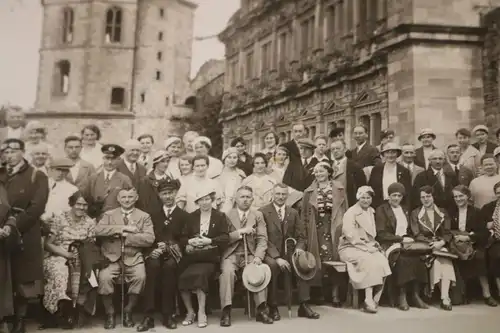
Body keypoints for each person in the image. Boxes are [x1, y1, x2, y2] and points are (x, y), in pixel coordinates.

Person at [0, 138, 49, 333]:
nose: (8, 155)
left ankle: (20, 321)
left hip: (24, 232)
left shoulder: (37, 176)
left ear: (23, 151)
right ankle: (5, 319)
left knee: (23, 278)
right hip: (1, 233)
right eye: (5, 151)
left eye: (13, 150)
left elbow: (36, 208)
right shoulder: (1, 173)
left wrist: (13, 226)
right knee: (4, 276)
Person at [95, 187, 155, 329]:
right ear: (118, 199)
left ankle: (128, 311)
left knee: (140, 277)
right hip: (111, 257)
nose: (126, 200)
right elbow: (98, 230)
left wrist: (128, 237)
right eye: (123, 197)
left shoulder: (144, 216)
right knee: (104, 278)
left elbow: (149, 238)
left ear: (136, 198)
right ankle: (110, 313)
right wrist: (120, 228)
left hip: (133, 257)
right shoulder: (109, 215)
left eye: (130, 197)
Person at [262, 183, 320, 320]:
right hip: (271, 254)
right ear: (272, 195)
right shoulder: (263, 212)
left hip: (290, 252)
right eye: (278, 194)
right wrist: (277, 257)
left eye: (283, 194)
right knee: (272, 267)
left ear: (287, 196)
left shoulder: (293, 212)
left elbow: (301, 236)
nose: (280, 197)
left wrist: (299, 249)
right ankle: (273, 306)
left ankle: (304, 305)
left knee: (303, 265)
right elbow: (263, 238)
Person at [137, 178, 189, 331]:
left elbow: (185, 239)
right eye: (164, 193)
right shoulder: (152, 215)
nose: (168, 197)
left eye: (171, 193)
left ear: (175, 194)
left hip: (175, 255)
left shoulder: (184, 216)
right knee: (152, 267)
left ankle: (168, 314)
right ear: (159, 195)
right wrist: (152, 250)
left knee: (169, 268)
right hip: (155, 253)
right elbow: (147, 236)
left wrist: (169, 246)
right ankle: (148, 315)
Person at [41, 191, 98, 328]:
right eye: (78, 204)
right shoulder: (60, 218)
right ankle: (58, 311)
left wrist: (81, 257)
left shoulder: (90, 222)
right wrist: (66, 255)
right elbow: (48, 244)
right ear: (72, 204)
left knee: (89, 275)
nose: (81, 208)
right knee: (61, 272)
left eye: (85, 205)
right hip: (59, 254)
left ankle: (77, 310)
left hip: (81, 257)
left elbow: (91, 246)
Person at [220, 186, 273, 326]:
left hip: (250, 254)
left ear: (252, 199)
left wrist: (258, 257)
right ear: (236, 199)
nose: (245, 200)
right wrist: (241, 232)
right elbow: (223, 238)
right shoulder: (226, 215)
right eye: (242, 197)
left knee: (259, 270)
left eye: (248, 197)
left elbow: (262, 239)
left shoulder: (257, 215)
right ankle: (226, 311)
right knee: (227, 273)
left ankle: (261, 309)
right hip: (231, 254)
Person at [178, 187, 230, 328]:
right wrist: (189, 241)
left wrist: (210, 241)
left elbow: (226, 237)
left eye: (207, 199)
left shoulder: (220, 216)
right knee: (182, 276)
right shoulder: (191, 217)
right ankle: (190, 311)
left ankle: (201, 312)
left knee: (200, 275)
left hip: (209, 257)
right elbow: (182, 237)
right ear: (197, 202)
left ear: (212, 200)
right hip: (193, 256)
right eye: (201, 200)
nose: (205, 203)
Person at [375, 183, 429, 311]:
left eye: (399, 195)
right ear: (388, 196)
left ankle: (415, 295)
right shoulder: (382, 209)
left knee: (418, 257)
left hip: (406, 243)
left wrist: (411, 239)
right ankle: (402, 295)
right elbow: (381, 234)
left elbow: (410, 229)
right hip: (389, 243)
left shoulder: (405, 209)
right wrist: (400, 239)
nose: (396, 198)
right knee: (402, 259)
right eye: (393, 195)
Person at [301, 161, 348, 306]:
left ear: (329, 172)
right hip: (316, 229)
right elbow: (304, 214)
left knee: (335, 259)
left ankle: (335, 295)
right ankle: (318, 294)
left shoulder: (339, 189)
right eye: (316, 171)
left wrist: (345, 228)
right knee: (316, 261)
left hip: (334, 228)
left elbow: (346, 210)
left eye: (321, 171)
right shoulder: (308, 191)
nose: (318, 174)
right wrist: (305, 231)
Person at [338, 186, 391, 314]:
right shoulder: (351, 213)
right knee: (369, 261)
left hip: (367, 247)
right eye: (363, 197)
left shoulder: (371, 212)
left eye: (368, 198)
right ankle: (368, 299)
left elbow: (371, 235)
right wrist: (366, 248)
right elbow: (350, 235)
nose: (365, 200)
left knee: (382, 260)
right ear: (358, 197)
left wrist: (373, 246)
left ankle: (375, 298)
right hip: (350, 247)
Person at [409, 186, 456, 311]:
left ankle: (444, 297)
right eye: (422, 197)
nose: (426, 199)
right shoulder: (416, 213)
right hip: (424, 246)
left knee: (444, 258)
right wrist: (431, 243)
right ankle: (444, 298)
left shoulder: (442, 212)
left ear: (433, 197)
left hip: (440, 245)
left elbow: (447, 232)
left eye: (428, 196)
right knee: (440, 258)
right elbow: (417, 234)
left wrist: (441, 242)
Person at [450, 185, 497, 307]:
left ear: (468, 196)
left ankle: (487, 294)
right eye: (455, 196)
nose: (458, 199)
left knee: (480, 258)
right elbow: (446, 230)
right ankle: (461, 293)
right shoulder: (450, 212)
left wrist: (469, 237)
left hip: (473, 243)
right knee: (454, 258)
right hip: (455, 244)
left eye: (461, 196)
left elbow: (483, 232)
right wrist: (455, 237)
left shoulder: (476, 211)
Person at [81, 144, 133, 216]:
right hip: (96, 219)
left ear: (119, 160)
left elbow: (130, 202)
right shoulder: (93, 178)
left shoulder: (124, 179)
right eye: (107, 158)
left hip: (116, 220)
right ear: (103, 159)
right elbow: (85, 199)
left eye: (113, 159)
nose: (109, 162)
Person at [368, 143, 412, 209]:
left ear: (397, 154)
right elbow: (371, 189)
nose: (390, 155)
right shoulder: (376, 169)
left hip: (398, 205)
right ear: (383, 154)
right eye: (387, 153)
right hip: (380, 205)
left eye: (393, 152)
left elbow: (407, 192)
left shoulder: (404, 171)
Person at [478, 181, 500, 299]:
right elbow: (480, 226)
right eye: (498, 193)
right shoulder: (488, 208)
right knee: (497, 256)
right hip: (495, 240)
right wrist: (487, 226)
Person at [216, 147, 246, 214]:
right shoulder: (217, 174)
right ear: (224, 158)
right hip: (219, 208)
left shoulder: (241, 174)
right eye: (229, 157)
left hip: (236, 208)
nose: (232, 160)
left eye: (234, 158)